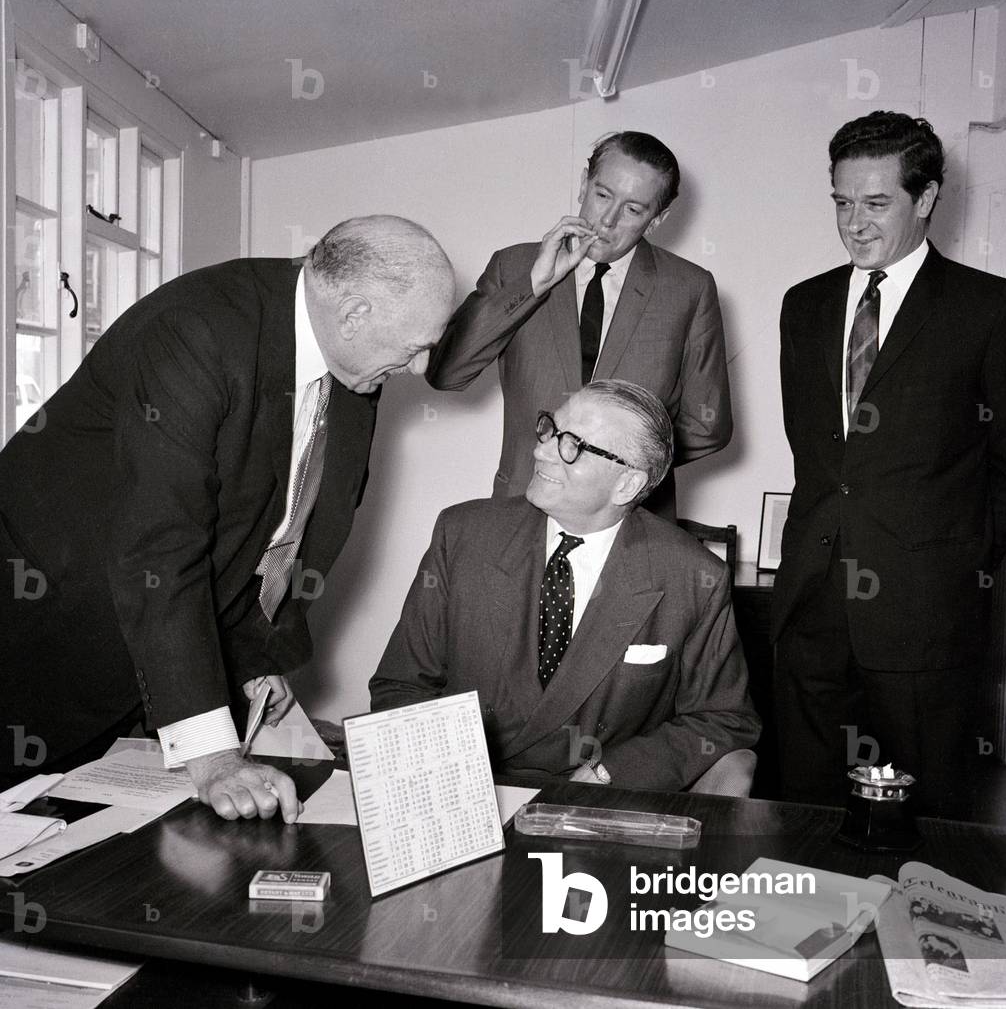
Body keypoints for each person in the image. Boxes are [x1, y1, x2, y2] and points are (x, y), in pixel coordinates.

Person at [1, 215, 456, 822]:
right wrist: (213, 755)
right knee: (26, 833)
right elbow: (160, 546)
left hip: (157, 631)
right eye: (415, 347)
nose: (423, 367)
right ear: (355, 312)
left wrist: (255, 655)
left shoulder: (353, 362)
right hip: (44, 623)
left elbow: (292, 522)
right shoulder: (196, 329)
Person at [771, 111, 1006, 814]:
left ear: (928, 197)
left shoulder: (994, 310)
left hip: (926, 614)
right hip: (812, 601)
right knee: (805, 812)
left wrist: (954, 555)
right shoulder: (804, 306)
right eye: (843, 202)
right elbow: (819, 454)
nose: (855, 223)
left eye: (876, 203)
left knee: (926, 823)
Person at [370, 380, 759, 791]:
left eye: (571, 444)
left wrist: (615, 773)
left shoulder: (692, 577)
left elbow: (722, 719)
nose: (541, 451)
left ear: (627, 484)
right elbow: (401, 685)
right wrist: (452, 776)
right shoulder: (463, 534)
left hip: (599, 800)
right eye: (549, 430)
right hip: (471, 788)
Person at [425, 131, 732, 521]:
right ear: (583, 184)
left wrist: (625, 469)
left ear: (657, 219)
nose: (607, 221)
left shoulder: (689, 288)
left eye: (633, 210)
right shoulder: (514, 268)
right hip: (522, 508)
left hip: (633, 518)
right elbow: (445, 372)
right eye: (602, 195)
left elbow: (710, 424)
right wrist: (533, 287)